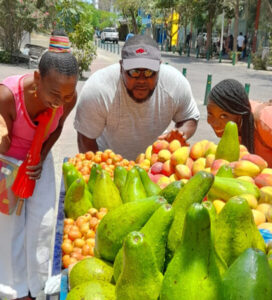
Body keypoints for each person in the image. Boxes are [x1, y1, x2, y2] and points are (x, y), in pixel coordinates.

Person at [0, 30, 78, 299]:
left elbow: (57, 128)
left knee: (42, 225)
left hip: (38, 163)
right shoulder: (7, 96)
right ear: (37, 79)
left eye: (67, 96)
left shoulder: (68, 96)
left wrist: (42, 158)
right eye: (55, 94)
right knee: (10, 229)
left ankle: (39, 286)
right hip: (7, 165)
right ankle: (15, 290)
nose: (61, 102)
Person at [74, 34, 200, 160]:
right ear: (121, 67)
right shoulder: (98, 89)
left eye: (149, 72)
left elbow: (190, 117)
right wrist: (102, 173)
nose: (141, 80)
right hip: (109, 163)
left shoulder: (175, 84)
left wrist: (180, 133)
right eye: (133, 72)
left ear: (159, 67)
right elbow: (86, 139)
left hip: (155, 163)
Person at [207, 79, 272, 167]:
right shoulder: (235, 129)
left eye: (223, 116)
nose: (215, 123)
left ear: (239, 114)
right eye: (210, 114)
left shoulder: (266, 122)